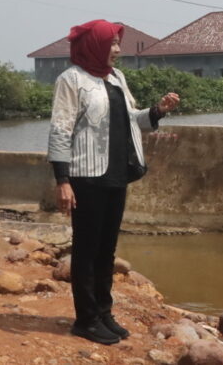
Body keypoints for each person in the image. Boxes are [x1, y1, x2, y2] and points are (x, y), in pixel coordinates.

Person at [47, 19, 179, 345]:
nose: (118, 50)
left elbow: (131, 118)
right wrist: (62, 180)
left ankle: (104, 313)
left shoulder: (116, 78)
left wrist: (157, 111)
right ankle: (86, 319)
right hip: (86, 177)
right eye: (112, 44)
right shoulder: (71, 80)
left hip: (116, 174)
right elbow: (60, 130)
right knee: (87, 250)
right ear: (95, 46)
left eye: (118, 44)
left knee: (107, 250)